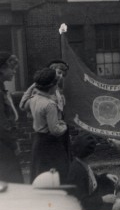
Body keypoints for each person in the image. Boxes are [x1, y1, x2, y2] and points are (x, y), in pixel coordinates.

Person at [23, 68, 70, 183]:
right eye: (56, 85)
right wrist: (64, 126)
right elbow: (55, 130)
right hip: (51, 144)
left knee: (40, 173)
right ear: (52, 86)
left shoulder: (34, 99)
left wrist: (34, 85)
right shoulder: (50, 105)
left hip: (38, 142)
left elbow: (22, 105)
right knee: (56, 176)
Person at [67, 131, 120, 210]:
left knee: (115, 195)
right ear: (89, 154)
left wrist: (106, 176)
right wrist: (103, 199)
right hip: (84, 209)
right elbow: (81, 201)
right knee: (119, 204)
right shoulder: (78, 171)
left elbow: (92, 178)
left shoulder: (80, 163)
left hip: (91, 202)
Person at [0, 52, 23, 183]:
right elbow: (2, 123)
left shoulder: (2, 87)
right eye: (12, 68)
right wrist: (13, 145)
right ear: (2, 69)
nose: (14, 72)